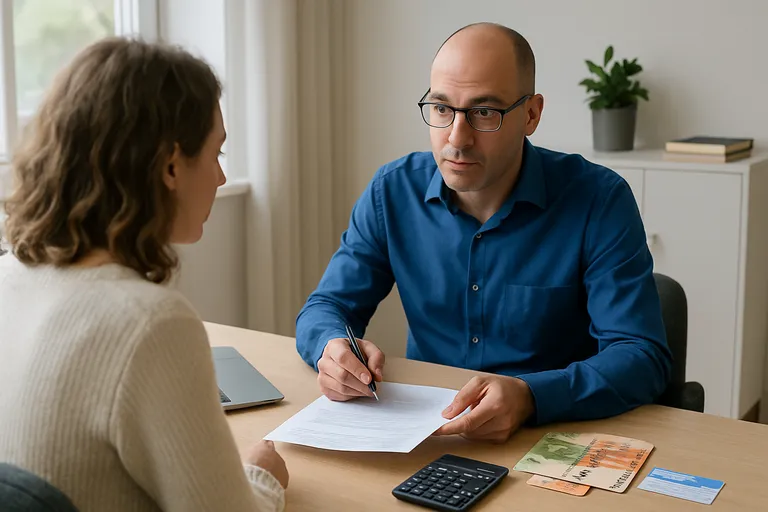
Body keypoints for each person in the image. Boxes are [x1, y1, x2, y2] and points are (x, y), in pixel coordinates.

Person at [295, 22, 673, 442]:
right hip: (427, 435)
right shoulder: (392, 192)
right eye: (442, 109)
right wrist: (331, 348)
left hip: (552, 437)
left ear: (531, 114)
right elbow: (327, 306)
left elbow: (641, 357)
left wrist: (531, 395)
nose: (457, 139)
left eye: (484, 113)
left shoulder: (598, 201)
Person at [0, 37, 288, 511]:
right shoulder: (152, 322)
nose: (219, 177)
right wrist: (261, 475)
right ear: (170, 165)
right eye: (216, 153)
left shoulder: (11, 276)